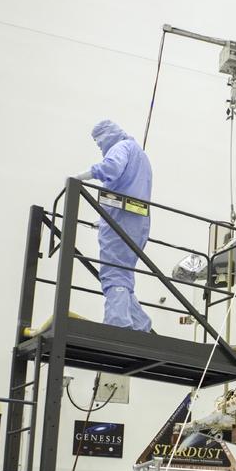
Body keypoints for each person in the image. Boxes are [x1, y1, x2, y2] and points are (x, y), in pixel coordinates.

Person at [77, 119, 153, 331]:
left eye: (98, 140)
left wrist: (80, 177)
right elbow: (130, 190)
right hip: (137, 220)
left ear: (107, 134)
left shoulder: (121, 147)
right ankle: (140, 323)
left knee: (113, 272)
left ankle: (117, 324)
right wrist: (103, 220)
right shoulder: (140, 155)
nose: (99, 146)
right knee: (123, 272)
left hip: (121, 218)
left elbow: (112, 167)